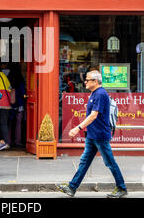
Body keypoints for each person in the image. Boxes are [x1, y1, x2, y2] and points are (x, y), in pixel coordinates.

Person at [55, 70, 128, 198]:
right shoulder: (95, 93)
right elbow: (95, 111)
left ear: (95, 81)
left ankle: (122, 188)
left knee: (109, 162)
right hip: (92, 134)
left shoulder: (100, 94)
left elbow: (94, 115)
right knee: (84, 161)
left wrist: (78, 128)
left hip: (100, 135)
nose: (85, 82)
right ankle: (72, 187)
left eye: (87, 80)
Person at [0, 64, 13, 151]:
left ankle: (3, 142)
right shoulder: (4, 76)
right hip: (7, 103)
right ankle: (4, 141)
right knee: (4, 123)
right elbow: (10, 88)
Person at [8, 65, 26, 148]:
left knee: (9, 123)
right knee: (18, 123)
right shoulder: (21, 82)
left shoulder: (8, 80)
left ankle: (8, 140)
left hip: (10, 104)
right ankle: (17, 141)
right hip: (19, 105)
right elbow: (23, 94)